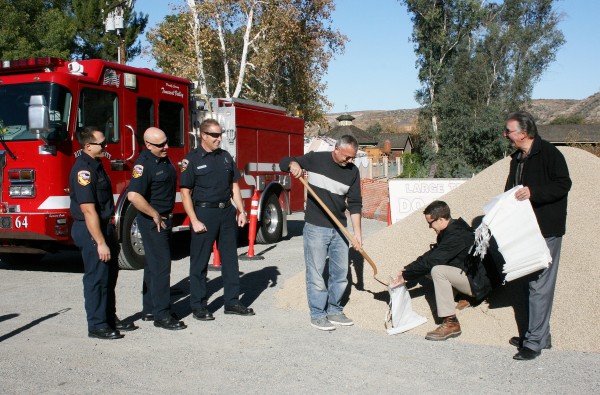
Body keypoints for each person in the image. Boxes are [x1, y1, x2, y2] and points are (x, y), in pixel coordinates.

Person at [503, 111, 571, 360]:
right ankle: (540, 335)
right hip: (525, 230)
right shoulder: (517, 158)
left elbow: (564, 184)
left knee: (539, 285)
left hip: (546, 229)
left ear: (523, 132)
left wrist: (534, 192)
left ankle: (533, 343)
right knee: (530, 282)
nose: (505, 135)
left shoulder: (551, 154)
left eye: (508, 131)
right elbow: (511, 190)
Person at [279, 135, 362, 331]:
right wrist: (293, 164)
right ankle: (317, 314)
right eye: (347, 157)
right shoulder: (316, 159)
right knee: (316, 273)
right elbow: (284, 162)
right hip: (316, 226)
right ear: (336, 150)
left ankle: (335, 310)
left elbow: (356, 204)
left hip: (340, 228)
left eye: (353, 158)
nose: (350, 161)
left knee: (341, 273)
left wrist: (357, 233)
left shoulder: (353, 172)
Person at [180, 119, 254, 320]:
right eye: (214, 135)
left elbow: (234, 186)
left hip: (226, 213)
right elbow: (185, 193)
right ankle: (199, 305)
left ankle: (232, 302)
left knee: (230, 260)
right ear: (203, 135)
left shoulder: (225, 157)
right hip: (204, 214)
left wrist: (241, 211)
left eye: (220, 134)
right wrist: (194, 220)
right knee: (200, 261)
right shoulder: (191, 160)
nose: (219, 138)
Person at [69, 127, 136, 339]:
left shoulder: (97, 166)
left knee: (109, 275)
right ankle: (97, 325)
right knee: (97, 277)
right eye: (102, 143)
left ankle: (108, 317)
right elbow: (88, 209)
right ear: (88, 146)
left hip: (103, 226)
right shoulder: (84, 170)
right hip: (91, 228)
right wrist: (100, 242)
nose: (106, 147)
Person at [127, 127, 187, 331]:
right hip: (154, 221)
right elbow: (133, 196)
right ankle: (162, 315)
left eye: (166, 142)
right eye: (161, 145)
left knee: (153, 266)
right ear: (148, 145)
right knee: (161, 266)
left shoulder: (163, 158)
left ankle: (150, 308)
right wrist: (153, 214)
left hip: (164, 219)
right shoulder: (143, 165)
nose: (166, 147)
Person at [391, 200, 474, 341]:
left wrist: (406, 275)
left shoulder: (457, 235)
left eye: (430, 223)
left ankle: (451, 322)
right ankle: (459, 294)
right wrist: (407, 270)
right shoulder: (450, 229)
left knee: (437, 271)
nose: (430, 227)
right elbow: (432, 254)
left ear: (441, 219)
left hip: (477, 283)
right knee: (428, 270)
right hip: (467, 274)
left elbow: (433, 261)